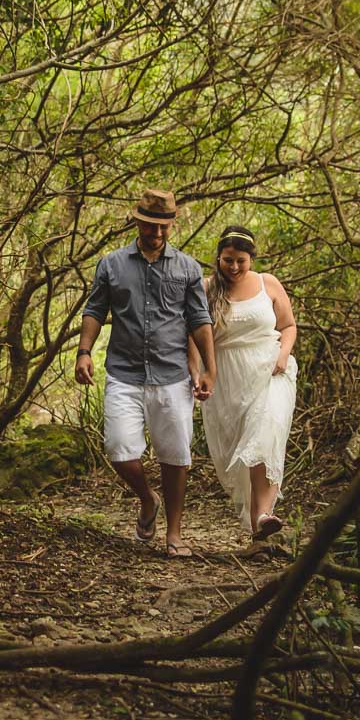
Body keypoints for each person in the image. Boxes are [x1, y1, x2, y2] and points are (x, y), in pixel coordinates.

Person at [75, 189, 217, 558]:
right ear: (136, 220)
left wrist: (208, 369)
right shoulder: (112, 264)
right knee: (119, 448)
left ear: (172, 225)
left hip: (172, 375)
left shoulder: (187, 267)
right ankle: (147, 498)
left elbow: (199, 320)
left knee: (175, 454)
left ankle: (174, 535)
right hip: (124, 371)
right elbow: (94, 309)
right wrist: (84, 352)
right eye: (151, 225)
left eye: (163, 226)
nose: (157, 233)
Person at [190, 225, 297, 540]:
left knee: (265, 434)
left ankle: (264, 515)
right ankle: (259, 526)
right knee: (243, 447)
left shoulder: (268, 284)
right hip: (228, 378)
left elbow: (288, 325)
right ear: (219, 258)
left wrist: (283, 353)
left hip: (272, 369)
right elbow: (194, 338)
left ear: (252, 258)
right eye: (227, 260)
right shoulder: (207, 289)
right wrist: (197, 375)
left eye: (241, 261)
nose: (234, 267)